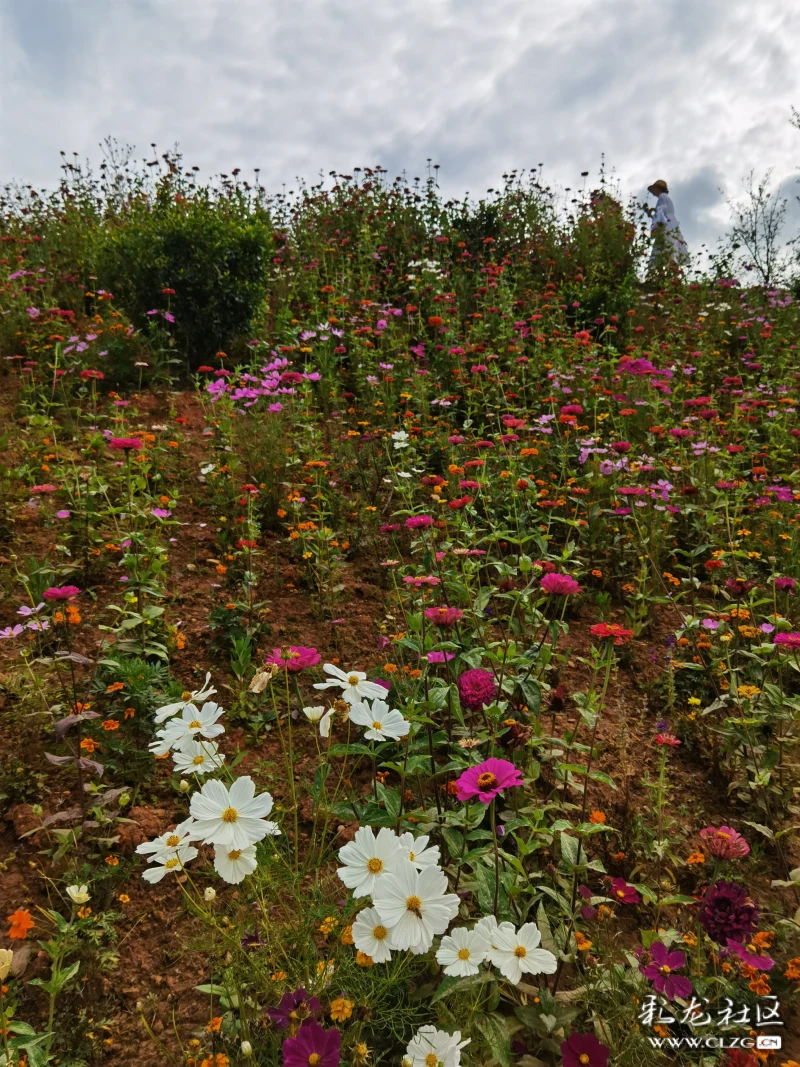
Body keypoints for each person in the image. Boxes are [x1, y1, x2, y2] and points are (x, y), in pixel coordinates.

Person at [646, 179, 689, 271]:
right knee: (672, 248)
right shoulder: (666, 197)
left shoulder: (662, 197)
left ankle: (662, 275)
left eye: (654, 191)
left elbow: (662, 212)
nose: (653, 194)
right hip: (672, 224)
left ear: (658, 189)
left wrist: (656, 226)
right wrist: (654, 211)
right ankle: (674, 276)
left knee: (663, 247)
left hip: (666, 225)